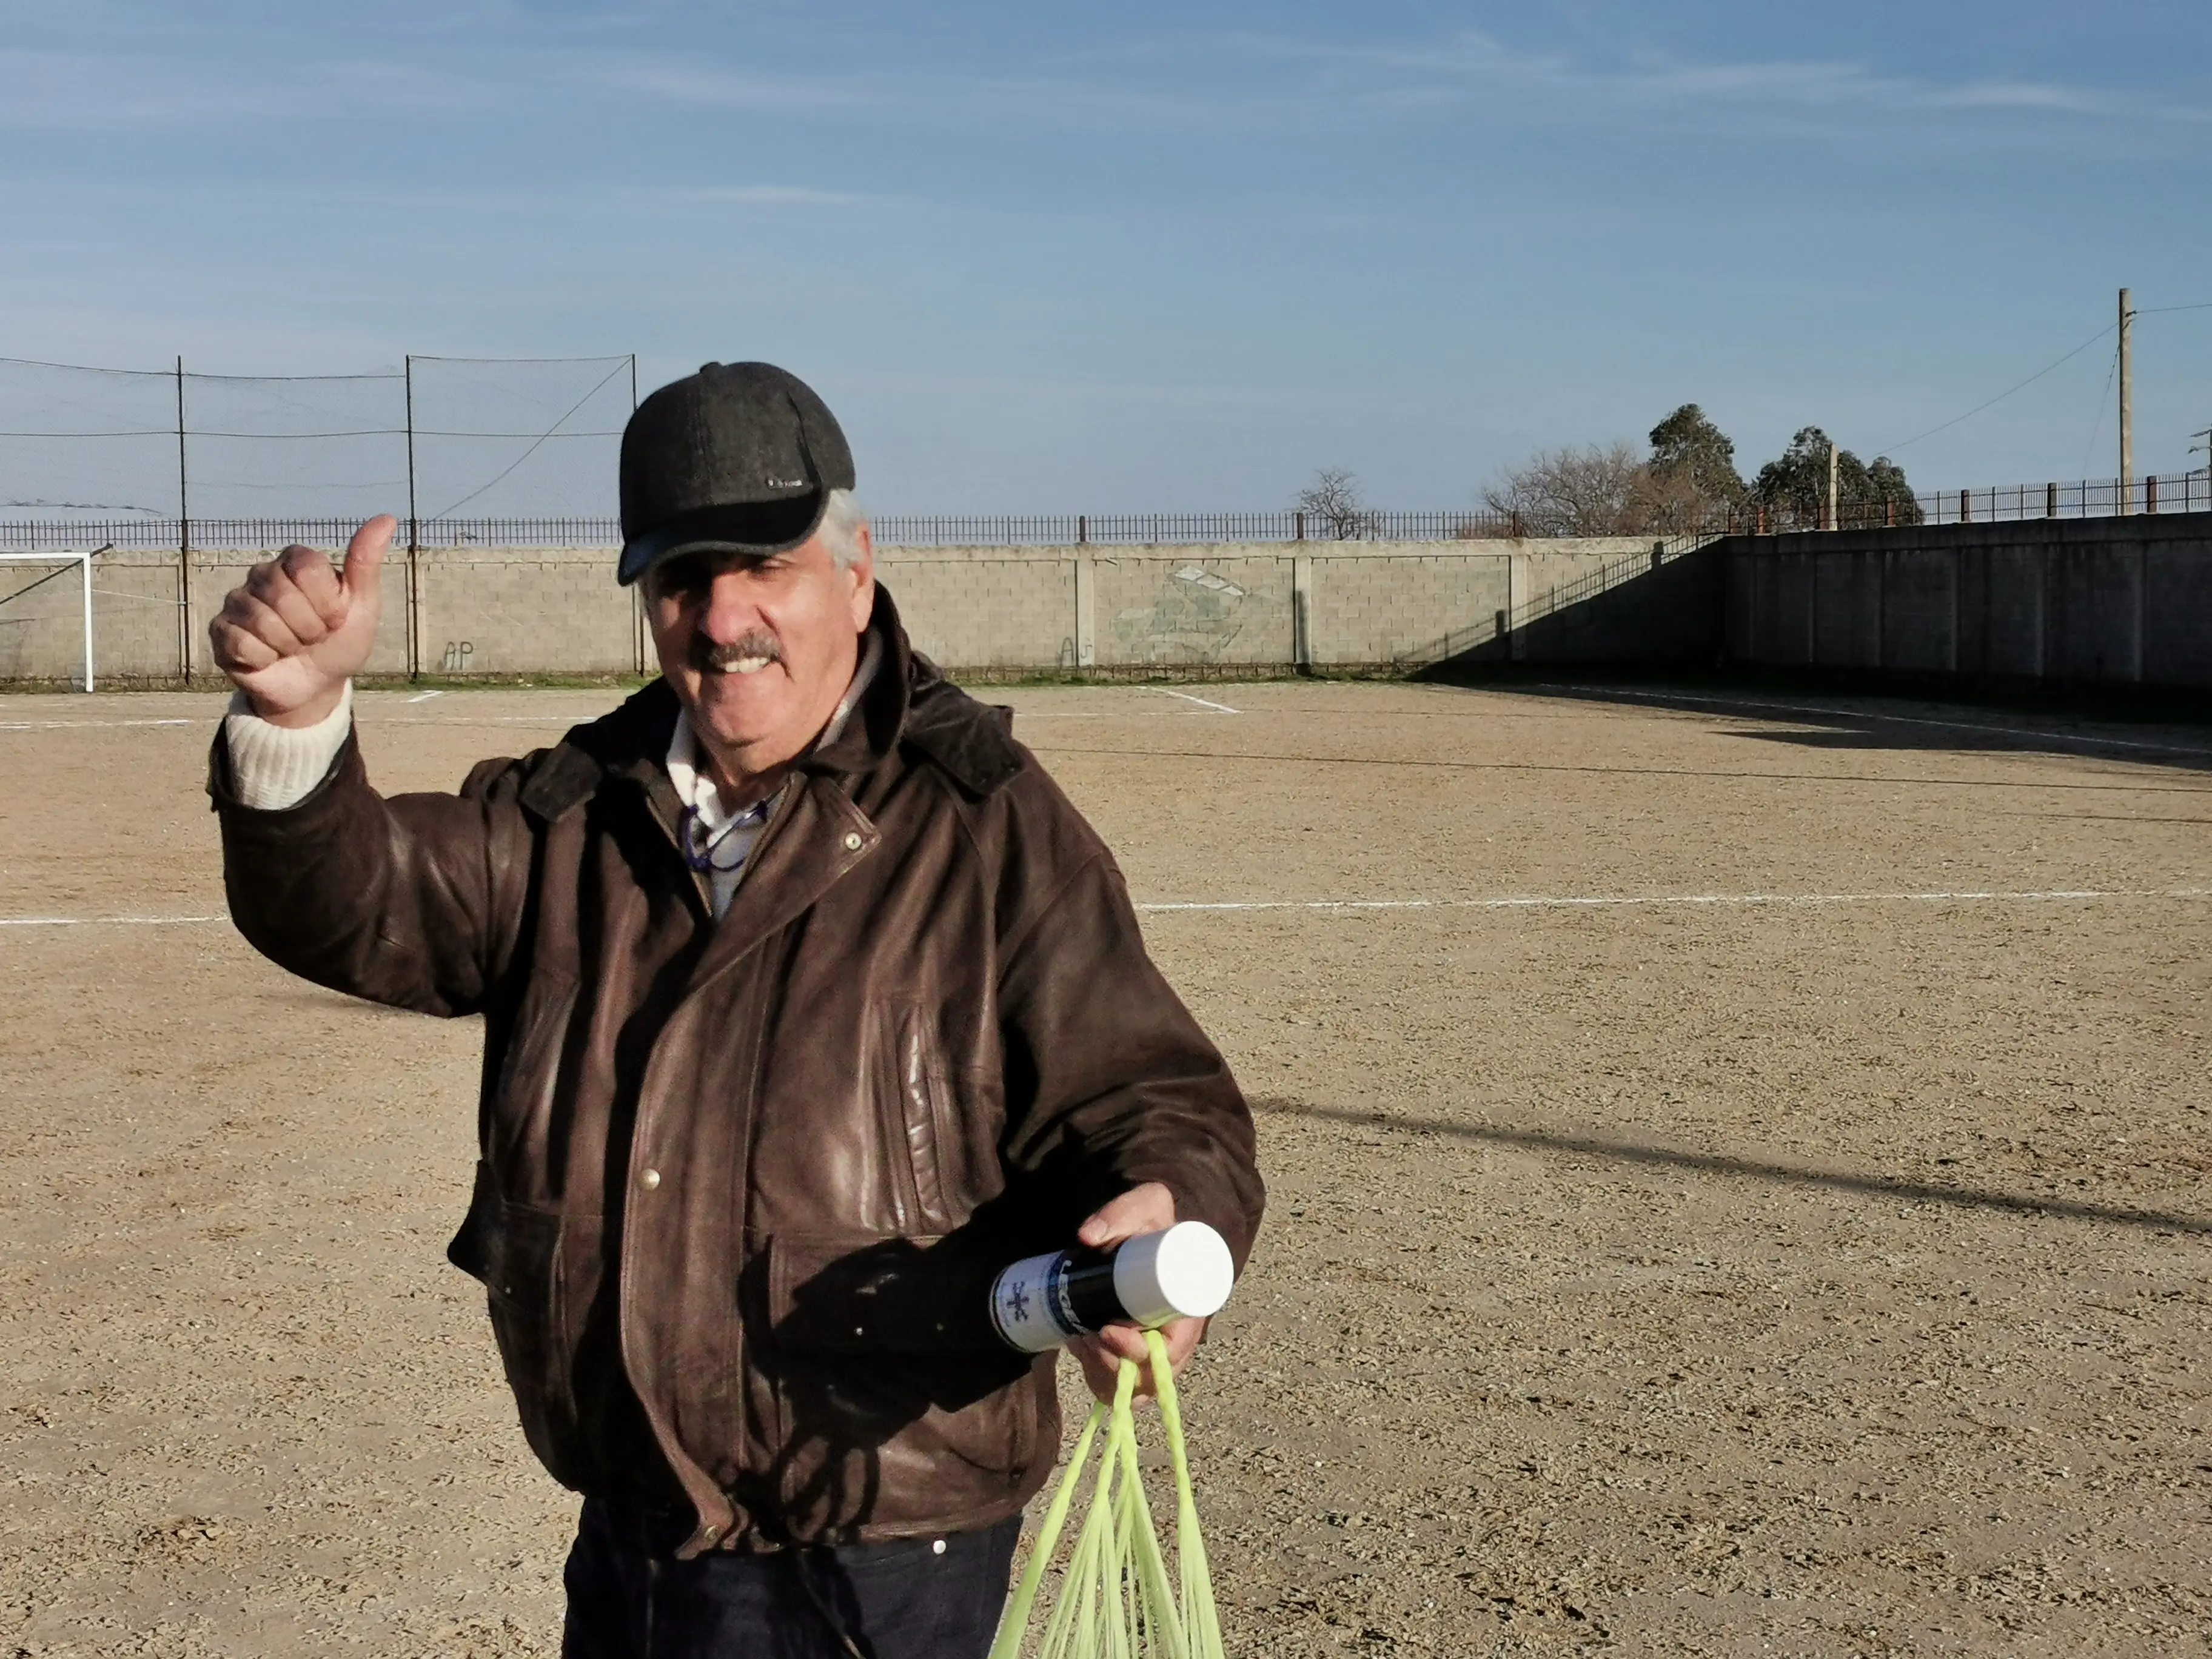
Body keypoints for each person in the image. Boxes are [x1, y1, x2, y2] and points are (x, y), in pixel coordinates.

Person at [205, 362, 1264, 1658]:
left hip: (889, 1548)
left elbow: (1153, 1097)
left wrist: (1171, 1203)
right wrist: (298, 723)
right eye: (680, 579)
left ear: (856, 573)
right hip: (637, 1539)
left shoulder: (989, 827)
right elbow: (360, 905)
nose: (721, 619)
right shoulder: (568, 816)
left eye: (765, 568)